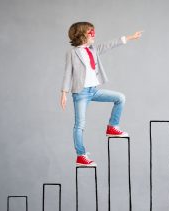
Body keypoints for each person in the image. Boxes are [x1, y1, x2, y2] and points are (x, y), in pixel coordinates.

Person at [60, 22, 143, 166]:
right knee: (80, 125)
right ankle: (81, 155)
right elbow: (68, 73)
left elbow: (110, 44)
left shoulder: (93, 50)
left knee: (120, 98)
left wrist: (130, 37)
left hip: (93, 90)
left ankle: (112, 127)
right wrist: (64, 93)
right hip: (80, 93)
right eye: (90, 32)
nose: (94, 35)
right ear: (81, 35)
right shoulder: (72, 53)